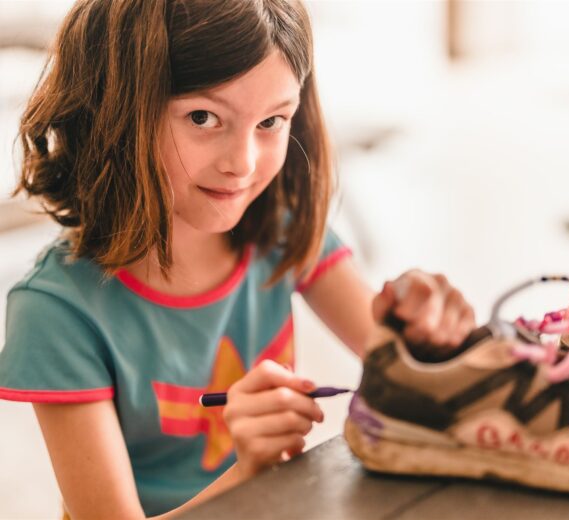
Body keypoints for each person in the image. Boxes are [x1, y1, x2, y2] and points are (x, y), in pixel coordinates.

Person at [0, 1, 476, 517]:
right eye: (203, 117)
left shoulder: (281, 231)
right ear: (110, 110)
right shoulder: (55, 312)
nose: (243, 164)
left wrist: (426, 329)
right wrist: (247, 473)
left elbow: (405, 367)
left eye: (272, 121)